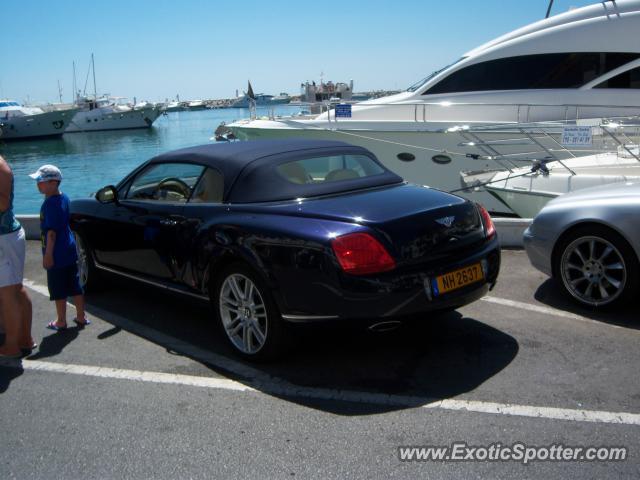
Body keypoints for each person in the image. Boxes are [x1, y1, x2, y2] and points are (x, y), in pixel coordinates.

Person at [30, 165, 89, 331]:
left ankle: (61, 320)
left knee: (58, 288)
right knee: (74, 283)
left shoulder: (50, 205)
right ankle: (81, 316)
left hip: (56, 252)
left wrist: (48, 255)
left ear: (54, 183)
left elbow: (51, 233)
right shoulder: (64, 198)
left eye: (41, 181)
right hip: (69, 248)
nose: (38, 184)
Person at [0, 154, 34, 358]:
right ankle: (23, 338)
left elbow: (3, 203)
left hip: (4, 238)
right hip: (6, 237)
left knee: (8, 293)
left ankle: (12, 345)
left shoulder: (0, 167)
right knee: (14, 290)